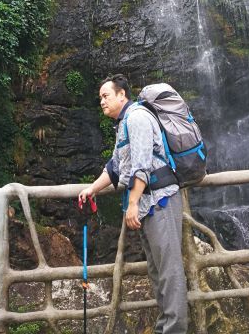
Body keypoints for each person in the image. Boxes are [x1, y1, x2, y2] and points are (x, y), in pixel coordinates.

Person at [79, 73, 188, 334]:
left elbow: (142, 165)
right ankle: (165, 327)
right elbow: (116, 166)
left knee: (169, 270)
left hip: (160, 200)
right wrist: (92, 189)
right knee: (156, 270)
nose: (102, 102)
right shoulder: (124, 123)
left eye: (106, 96)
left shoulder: (137, 117)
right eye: (100, 98)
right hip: (148, 204)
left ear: (122, 95)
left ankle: (175, 330)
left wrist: (132, 204)